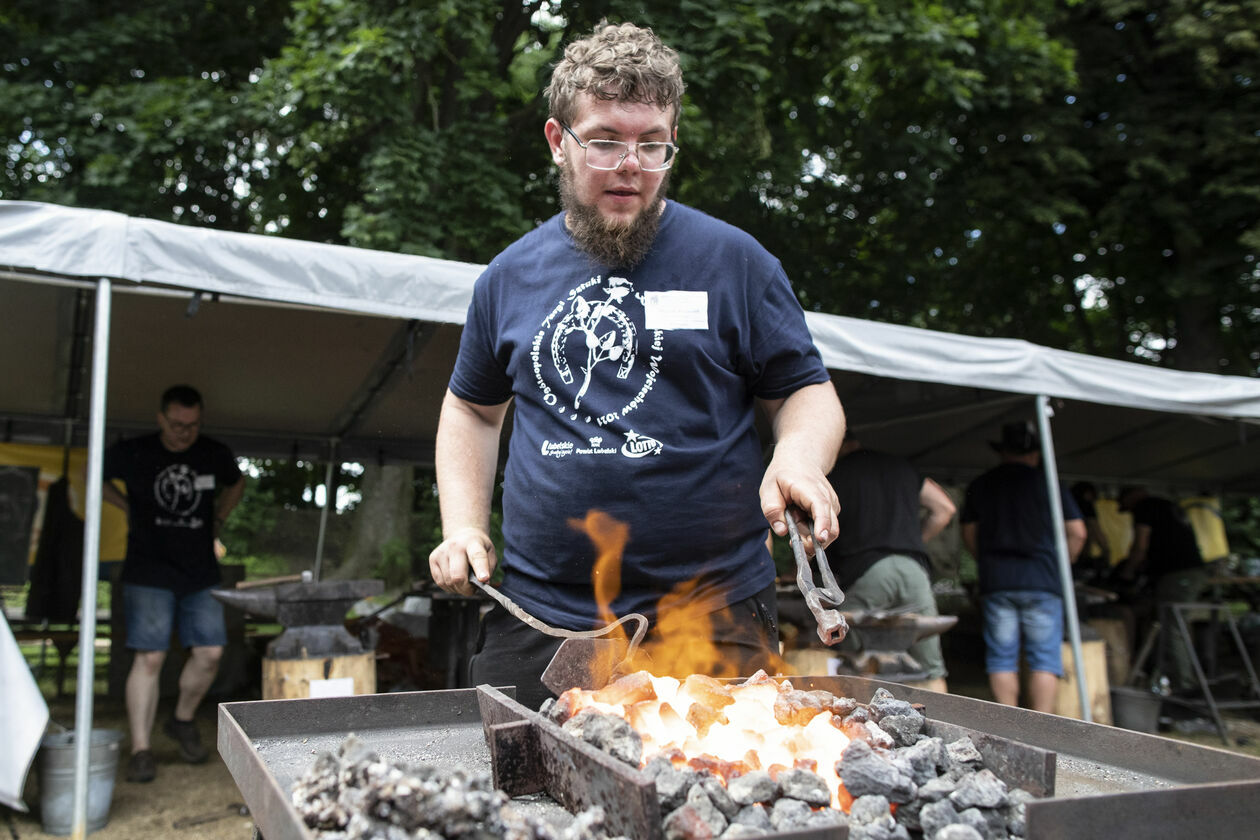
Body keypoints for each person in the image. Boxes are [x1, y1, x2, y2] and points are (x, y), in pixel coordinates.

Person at [427, 21, 845, 709]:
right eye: (607, 141)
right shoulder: (507, 277)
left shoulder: (735, 263)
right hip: (541, 618)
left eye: (653, 145)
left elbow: (806, 391)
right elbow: (470, 408)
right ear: (559, 142)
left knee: (718, 801)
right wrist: (463, 525)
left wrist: (798, 459)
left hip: (711, 615)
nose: (632, 164)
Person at [103, 385, 245, 782]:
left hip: (199, 571)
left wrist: (218, 520)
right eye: (178, 424)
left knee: (211, 653)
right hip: (147, 569)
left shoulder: (212, 453)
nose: (185, 433)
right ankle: (141, 749)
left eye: (193, 425)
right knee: (149, 657)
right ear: (161, 418)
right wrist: (126, 506)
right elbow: (91, 474)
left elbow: (237, 482)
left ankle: (181, 720)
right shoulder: (135, 451)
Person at [960, 420, 1085, 713]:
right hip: (1042, 580)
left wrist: (986, 560)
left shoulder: (982, 484)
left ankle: (1009, 723)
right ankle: (1039, 724)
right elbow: (1077, 532)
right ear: (1035, 454)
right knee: (1045, 659)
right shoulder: (1050, 483)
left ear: (1003, 452)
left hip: (998, 580)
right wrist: (1061, 564)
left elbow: (968, 534)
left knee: (1002, 658)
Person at [825, 437, 957, 693]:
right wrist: (915, 540)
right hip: (913, 569)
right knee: (930, 667)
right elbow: (945, 509)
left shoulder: (833, 474)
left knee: (849, 657)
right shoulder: (903, 467)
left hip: (868, 572)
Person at [1116, 485, 1208, 694]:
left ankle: (1183, 687)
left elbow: (1140, 546)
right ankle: (1166, 678)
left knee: (1173, 627)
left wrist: (1128, 573)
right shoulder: (1167, 505)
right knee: (1171, 624)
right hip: (1186, 573)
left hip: (1178, 574)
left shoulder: (1146, 508)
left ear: (1130, 498)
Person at [1070, 481, 1111, 580]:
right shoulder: (1085, 505)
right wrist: (1106, 551)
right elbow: (1095, 529)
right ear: (1088, 494)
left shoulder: (1065, 504)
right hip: (1077, 553)